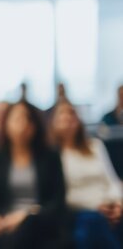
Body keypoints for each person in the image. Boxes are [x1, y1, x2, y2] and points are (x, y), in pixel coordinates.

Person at [0, 101, 70, 249]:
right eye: (17, 119)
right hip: (6, 226)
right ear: (6, 124)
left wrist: (27, 214)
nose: (22, 125)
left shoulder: (50, 157)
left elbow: (57, 201)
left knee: (29, 225)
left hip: (42, 224)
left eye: (27, 119)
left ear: (35, 125)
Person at [49, 101, 122, 248]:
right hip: (80, 210)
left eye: (71, 115)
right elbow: (61, 194)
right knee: (91, 225)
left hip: (110, 204)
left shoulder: (95, 146)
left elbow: (111, 179)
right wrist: (97, 206)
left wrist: (118, 203)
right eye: (62, 116)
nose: (68, 120)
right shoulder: (53, 156)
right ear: (53, 123)